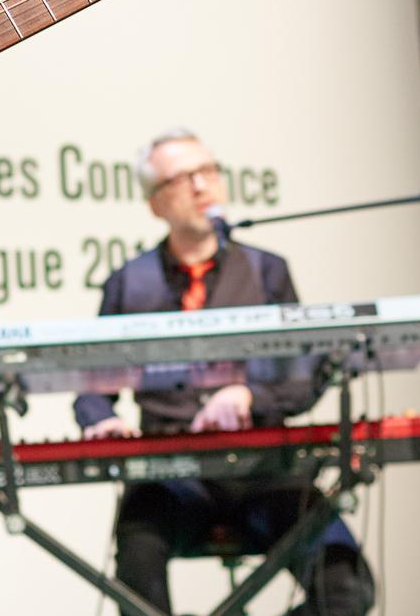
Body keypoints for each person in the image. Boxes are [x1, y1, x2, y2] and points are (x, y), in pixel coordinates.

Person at [73, 129, 373, 616]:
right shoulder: (128, 283)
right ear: (155, 203)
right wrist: (98, 421)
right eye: (181, 177)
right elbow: (93, 388)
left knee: (346, 585)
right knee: (136, 567)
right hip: (171, 475)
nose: (200, 185)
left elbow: (301, 376)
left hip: (265, 470)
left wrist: (250, 396)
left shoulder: (267, 271)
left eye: (208, 172)